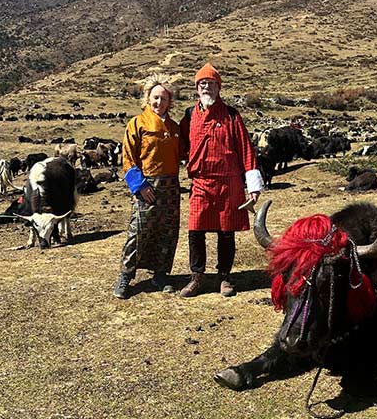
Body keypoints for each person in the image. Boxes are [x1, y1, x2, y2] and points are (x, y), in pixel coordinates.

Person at [178, 63, 264, 297]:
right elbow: (180, 146)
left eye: (211, 83)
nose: (206, 87)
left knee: (226, 232)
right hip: (201, 182)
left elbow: (246, 150)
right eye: (202, 83)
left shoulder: (231, 115)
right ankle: (197, 277)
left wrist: (253, 187)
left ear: (219, 87)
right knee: (195, 230)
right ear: (197, 88)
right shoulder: (189, 115)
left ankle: (225, 278)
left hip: (228, 182)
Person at [113, 72, 181, 299]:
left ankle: (161, 274)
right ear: (147, 98)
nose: (159, 102)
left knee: (168, 232)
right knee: (138, 231)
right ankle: (125, 275)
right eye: (155, 98)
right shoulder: (137, 124)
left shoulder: (175, 127)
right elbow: (128, 157)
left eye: (164, 98)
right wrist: (140, 186)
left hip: (171, 187)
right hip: (147, 186)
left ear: (170, 101)